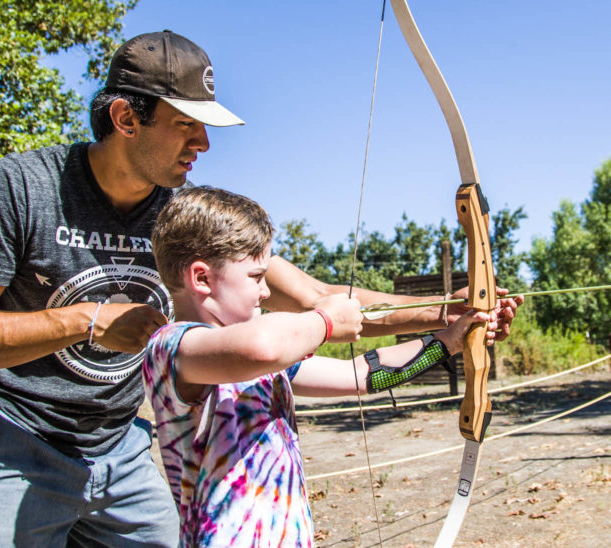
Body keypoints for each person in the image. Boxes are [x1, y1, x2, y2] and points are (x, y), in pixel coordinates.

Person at [0, 30, 521, 546]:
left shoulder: (184, 220)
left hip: (119, 444)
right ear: (127, 118)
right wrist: (89, 321)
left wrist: (453, 318)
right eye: (186, 126)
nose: (203, 145)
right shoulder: (23, 188)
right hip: (14, 438)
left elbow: (323, 304)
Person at [142, 186, 494, 546]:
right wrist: (326, 320)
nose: (265, 292)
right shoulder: (173, 347)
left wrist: (450, 340)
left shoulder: (268, 361)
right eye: (255, 277)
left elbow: (359, 374)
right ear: (201, 278)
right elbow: (261, 346)